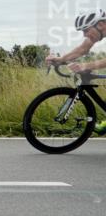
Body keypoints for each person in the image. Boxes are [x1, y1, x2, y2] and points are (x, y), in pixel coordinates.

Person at [45, 7, 106, 135]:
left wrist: (86, 66)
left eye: (86, 30)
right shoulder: (97, 34)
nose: (84, 35)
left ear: (100, 25)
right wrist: (60, 60)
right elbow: (82, 49)